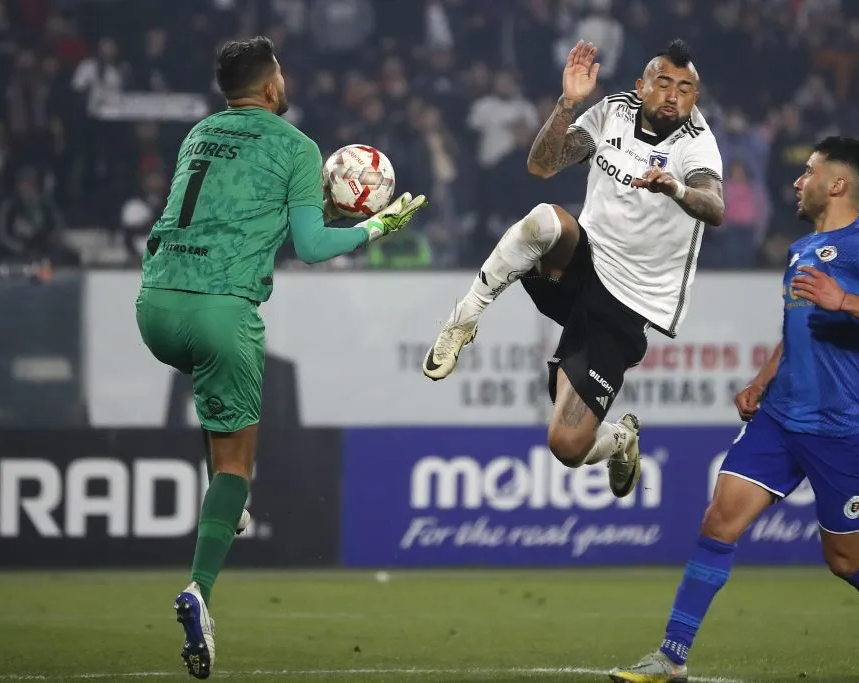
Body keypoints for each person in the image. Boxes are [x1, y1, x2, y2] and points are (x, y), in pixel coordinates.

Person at [134, 36, 426, 680]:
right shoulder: (296, 147)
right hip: (220, 310)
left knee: (212, 397)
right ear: (271, 87)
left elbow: (235, 209)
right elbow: (315, 247)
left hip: (154, 304)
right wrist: (378, 227)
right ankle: (200, 592)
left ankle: (225, 499)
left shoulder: (199, 135)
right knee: (237, 462)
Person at [608, 137, 859, 683]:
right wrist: (761, 381)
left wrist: (845, 300)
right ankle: (671, 657)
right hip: (781, 419)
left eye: (809, 172)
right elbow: (797, 330)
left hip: (842, 429)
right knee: (719, 520)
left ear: (837, 184)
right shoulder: (802, 250)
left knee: (846, 560)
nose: (798, 182)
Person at [423, 39, 725, 499]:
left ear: (694, 99)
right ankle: (463, 318)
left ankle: (621, 440)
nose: (673, 95)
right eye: (664, 84)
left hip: (627, 305)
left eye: (685, 89)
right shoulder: (613, 111)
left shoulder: (696, 143)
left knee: (566, 445)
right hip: (582, 266)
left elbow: (715, 206)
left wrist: (676, 190)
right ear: (641, 86)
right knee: (546, 219)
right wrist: (567, 103)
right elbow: (542, 165)